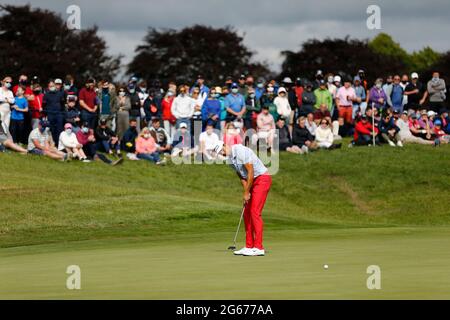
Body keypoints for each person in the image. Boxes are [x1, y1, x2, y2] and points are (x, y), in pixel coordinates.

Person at [213, 141, 272, 257]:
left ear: (225, 145)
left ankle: (258, 247)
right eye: (220, 153)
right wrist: (247, 191)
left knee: (255, 212)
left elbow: (250, 171)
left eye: (222, 151)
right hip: (251, 181)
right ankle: (249, 246)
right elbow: (242, 176)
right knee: (246, 213)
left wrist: (246, 192)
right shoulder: (230, 160)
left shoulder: (240, 151)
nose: (223, 154)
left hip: (262, 179)